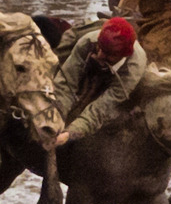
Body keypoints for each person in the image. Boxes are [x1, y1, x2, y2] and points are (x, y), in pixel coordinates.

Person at [52, 17, 147, 146]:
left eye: (109, 54)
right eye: (100, 48)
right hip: (84, 48)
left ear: (122, 56)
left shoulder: (132, 69)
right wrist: (55, 120)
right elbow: (66, 84)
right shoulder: (87, 42)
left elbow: (100, 109)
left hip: (118, 79)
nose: (101, 55)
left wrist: (70, 134)